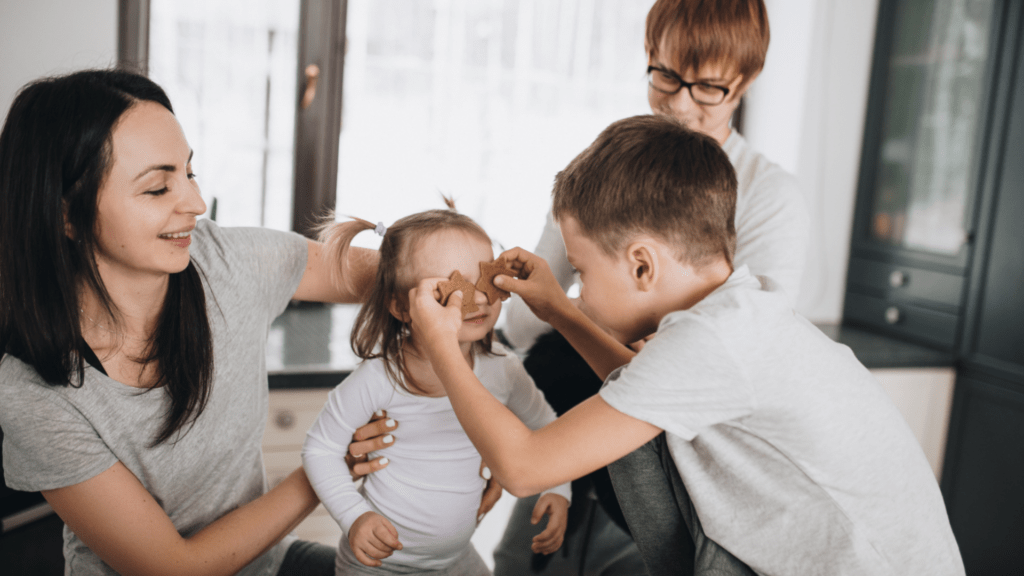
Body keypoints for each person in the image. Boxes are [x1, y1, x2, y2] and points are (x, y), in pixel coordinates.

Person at [406, 114, 966, 576]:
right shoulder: (740, 313)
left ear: (642, 264)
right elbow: (648, 392)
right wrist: (557, 309)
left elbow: (525, 467)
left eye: (580, 272)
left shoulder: (712, 339)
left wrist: (441, 347)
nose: (580, 291)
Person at [0, 69, 377, 576]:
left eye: (189, 173)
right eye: (158, 188)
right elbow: (177, 568)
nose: (195, 205)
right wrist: (329, 467)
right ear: (67, 214)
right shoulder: (32, 392)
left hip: (264, 564)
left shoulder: (223, 263)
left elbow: (382, 276)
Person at [495, 1, 810, 573]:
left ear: (748, 79)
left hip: (677, 458)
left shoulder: (771, 199)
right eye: (665, 76)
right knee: (519, 560)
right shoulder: (611, 170)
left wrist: (568, 314)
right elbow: (523, 328)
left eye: (709, 87)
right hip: (575, 423)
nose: (682, 104)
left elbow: (716, 357)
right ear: (647, 57)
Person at [303, 210, 570, 575]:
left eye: (484, 279)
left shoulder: (503, 369)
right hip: (379, 567)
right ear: (401, 307)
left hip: (456, 561)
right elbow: (320, 449)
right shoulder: (380, 378)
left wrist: (559, 488)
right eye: (453, 287)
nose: (476, 299)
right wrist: (354, 516)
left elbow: (546, 426)